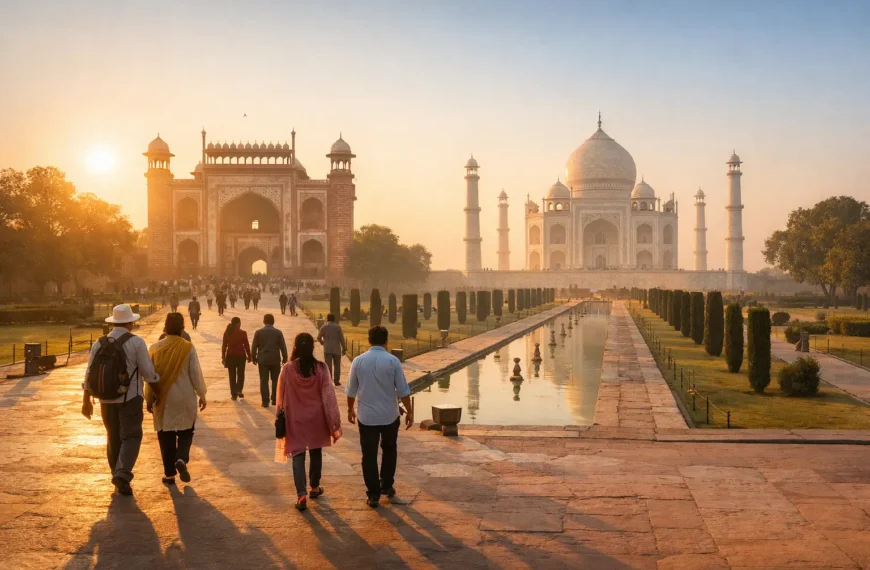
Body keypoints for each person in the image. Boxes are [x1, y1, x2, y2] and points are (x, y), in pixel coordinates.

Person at [81, 304, 159, 496]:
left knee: (113, 438)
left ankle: (118, 477)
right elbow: (148, 373)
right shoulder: (136, 342)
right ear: (131, 322)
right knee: (131, 436)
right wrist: (157, 388)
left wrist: (86, 400)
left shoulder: (99, 343)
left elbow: (89, 372)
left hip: (104, 399)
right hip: (129, 397)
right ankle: (122, 473)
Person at [346, 326, 413, 508]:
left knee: (369, 455)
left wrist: (350, 409)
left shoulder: (358, 361)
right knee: (390, 450)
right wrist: (410, 411)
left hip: (366, 417)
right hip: (389, 415)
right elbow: (403, 390)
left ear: (369, 340)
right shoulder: (392, 361)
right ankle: (387, 485)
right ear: (386, 341)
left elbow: (351, 391)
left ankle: (373, 494)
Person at [276, 333, 342, 511]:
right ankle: (314, 487)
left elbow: (280, 397)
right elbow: (328, 397)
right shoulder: (321, 368)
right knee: (315, 450)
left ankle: (301, 495)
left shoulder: (287, 369)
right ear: (312, 348)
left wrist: (278, 417)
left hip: (295, 418)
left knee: (297, 453)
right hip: (316, 417)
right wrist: (334, 420)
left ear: (295, 347)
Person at [146, 313, 207, 485]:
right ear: (182, 328)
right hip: (185, 397)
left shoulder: (155, 348)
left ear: (165, 327)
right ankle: (181, 458)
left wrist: (148, 398)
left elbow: (150, 377)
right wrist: (201, 394)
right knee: (186, 431)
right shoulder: (188, 347)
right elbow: (195, 373)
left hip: (163, 399)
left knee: (166, 436)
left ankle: (170, 475)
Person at [251, 314, 288, 407]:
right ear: (273, 321)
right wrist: (285, 357)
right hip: (275, 359)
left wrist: (253, 357)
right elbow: (283, 346)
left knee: (264, 380)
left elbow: (254, 346)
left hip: (262, 359)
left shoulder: (258, 332)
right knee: (275, 380)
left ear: (264, 321)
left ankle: (265, 401)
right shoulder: (278, 332)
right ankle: (275, 399)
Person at [222, 317, 251, 401]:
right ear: (238, 323)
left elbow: (224, 346)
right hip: (241, 356)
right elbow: (246, 346)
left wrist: (223, 357)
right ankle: (239, 390)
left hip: (230, 356)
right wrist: (249, 356)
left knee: (232, 375)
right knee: (241, 374)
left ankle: (233, 394)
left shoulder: (227, 332)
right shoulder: (242, 333)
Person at [317, 314, 347, 386]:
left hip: (327, 349)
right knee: (337, 366)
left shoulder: (324, 327)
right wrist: (344, 348)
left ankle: (329, 380)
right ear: (334, 319)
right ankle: (336, 381)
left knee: (328, 366)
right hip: (337, 349)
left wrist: (322, 342)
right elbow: (342, 339)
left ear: (327, 319)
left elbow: (318, 337)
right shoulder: (338, 327)